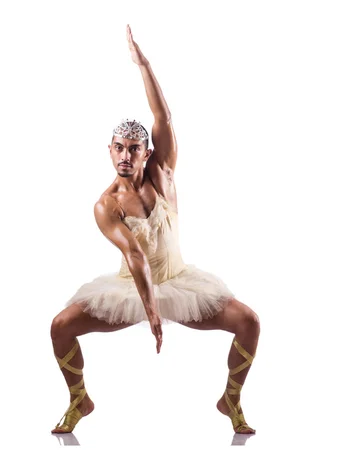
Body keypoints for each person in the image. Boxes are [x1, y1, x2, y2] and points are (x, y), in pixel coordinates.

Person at [50, 25, 259, 435]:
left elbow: (163, 115)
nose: (125, 156)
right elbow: (135, 255)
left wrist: (143, 64)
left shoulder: (163, 173)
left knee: (249, 322)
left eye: (133, 148)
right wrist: (149, 310)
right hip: (131, 290)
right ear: (109, 150)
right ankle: (79, 398)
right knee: (60, 326)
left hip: (180, 283)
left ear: (147, 152)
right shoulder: (106, 204)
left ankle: (230, 398)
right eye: (118, 148)